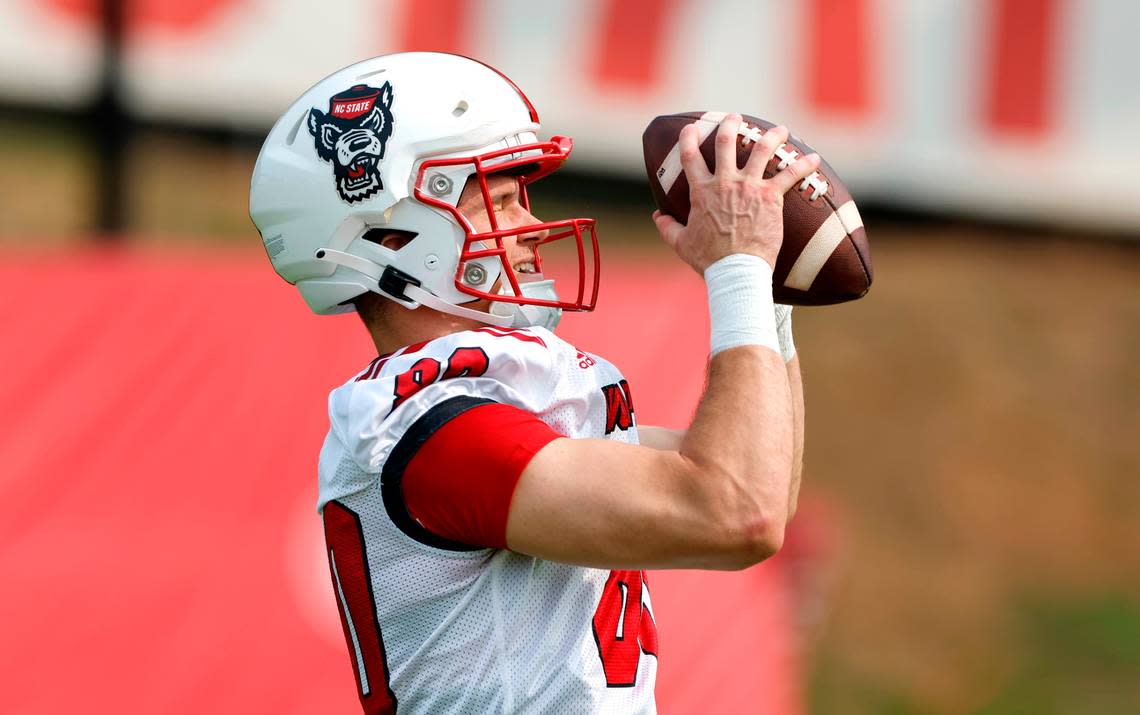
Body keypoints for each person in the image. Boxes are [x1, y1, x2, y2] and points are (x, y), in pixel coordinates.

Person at [250, 52, 815, 714]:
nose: (528, 230)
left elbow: (766, 485)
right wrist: (737, 269)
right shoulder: (433, 426)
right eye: (504, 198)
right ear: (394, 232)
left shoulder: (487, 401)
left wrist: (768, 301)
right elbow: (734, 508)